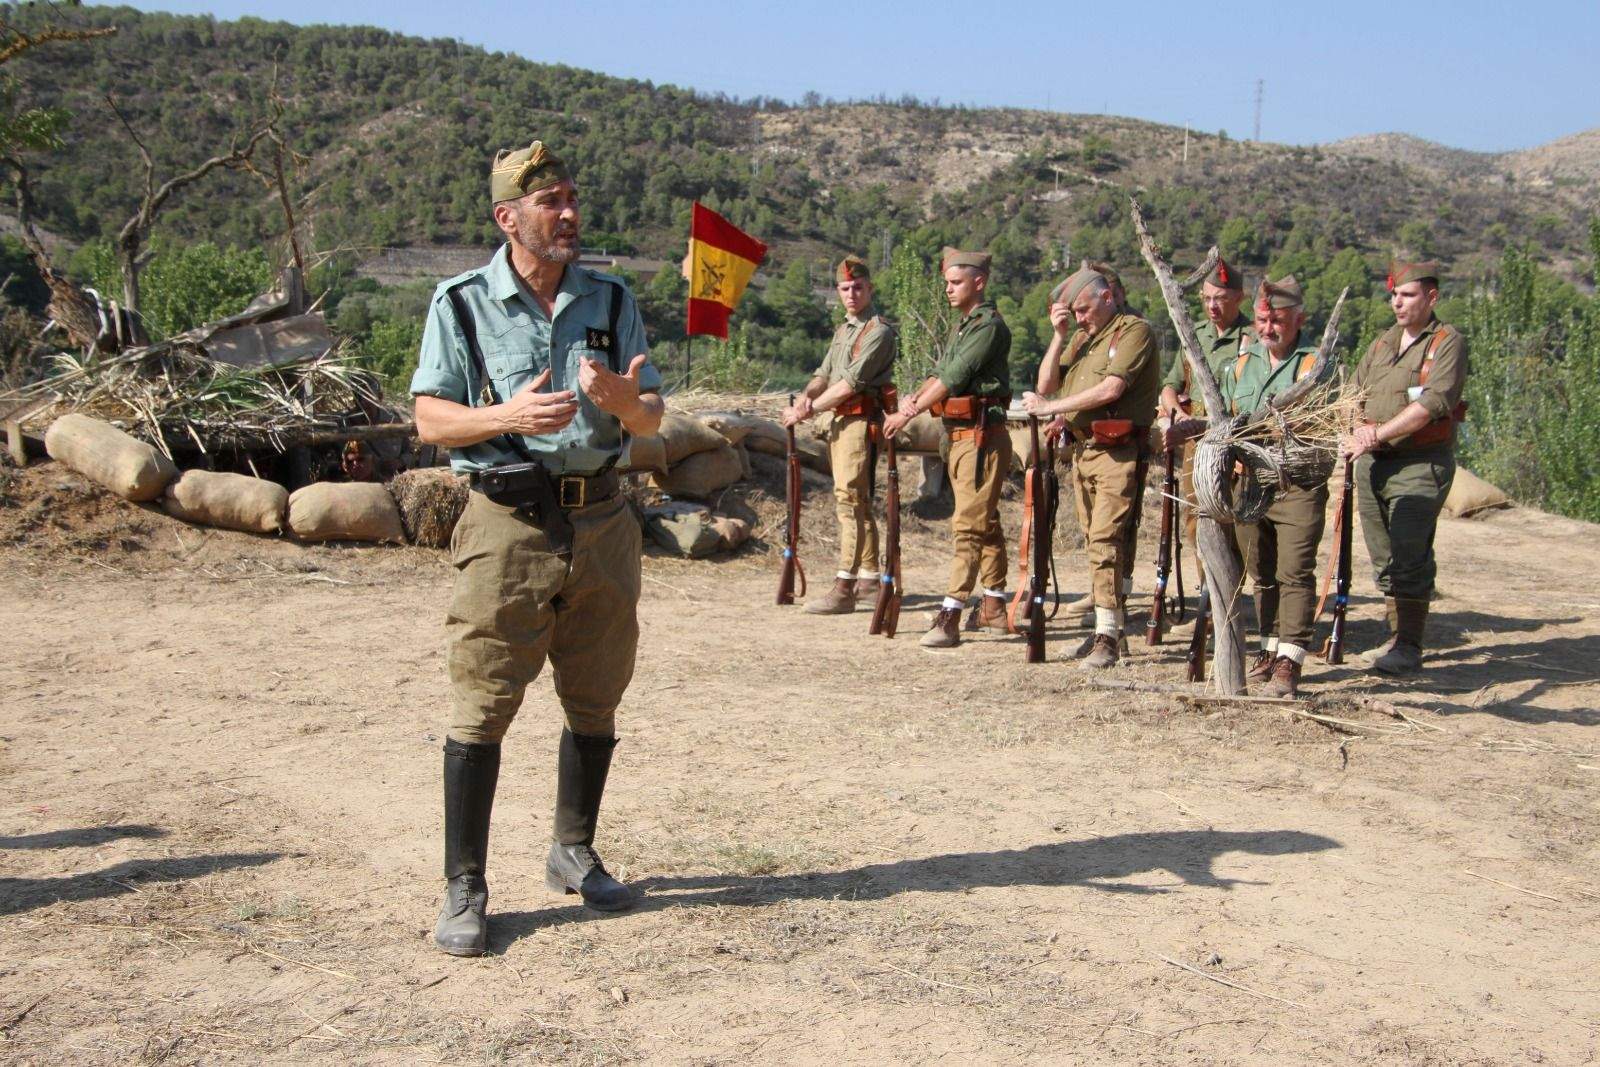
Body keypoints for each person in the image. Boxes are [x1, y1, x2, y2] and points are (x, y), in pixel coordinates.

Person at [409, 139, 664, 957]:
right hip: (506, 523)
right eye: (550, 200)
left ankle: (573, 849)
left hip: (604, 522)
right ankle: (465, 886)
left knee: (596, 692)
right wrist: (505, 418)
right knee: (482, 700)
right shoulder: (458, 303)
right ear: (507, 217)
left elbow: (652, 413)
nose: (569, 213)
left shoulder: (611, 297)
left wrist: (626, 399)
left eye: (571, 197)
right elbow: (428, 418)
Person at [1023, 265, 1160, 668]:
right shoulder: (1082, 338)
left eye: (1083, 309)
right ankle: (1108, 630)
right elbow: (1047, 383)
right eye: (1074, 312)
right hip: (1085, 453)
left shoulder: (1133, 331)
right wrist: (1060, 335)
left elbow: (1111, 388)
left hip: (1117, 452)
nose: (1080, 317)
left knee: (1106, 542)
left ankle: (1106, 637)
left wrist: (1053, 409)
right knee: (1095, 543)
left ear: (1107, 297)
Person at [1341, 260, 1468, 676]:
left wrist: (1375, 435)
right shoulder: (1382, 344)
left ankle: (1409, 643)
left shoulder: (1446, 342)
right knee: (1383, 554)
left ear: (1431, 297)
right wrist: (1357, 429)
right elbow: (1352, 394)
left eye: (1408, 294)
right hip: (1372, 462)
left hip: (1419, 461)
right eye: (1394, 294)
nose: (1398, 302)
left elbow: (1433, 403)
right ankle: (1396, 636)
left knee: (1409, 548)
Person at [882, 248, 1012, 649]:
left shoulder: (987, 326)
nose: (948, 290)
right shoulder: (965, 326)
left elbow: (954, 377)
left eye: (955, 283)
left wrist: (909, 413)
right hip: (958, 435)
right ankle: (993, 606)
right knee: (983, 522)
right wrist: (911, 401)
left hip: (981, 437)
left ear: (979, 282)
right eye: (947, 283)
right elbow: (938, 374)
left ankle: (951, 611)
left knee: (968, 526)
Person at [1221, 276, 1326, 696]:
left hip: (1296, 483)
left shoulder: (1314, 364)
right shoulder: (1242, 364)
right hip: (1250, 483)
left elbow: (1320, 424)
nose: (1267, 328)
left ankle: (1290, 658)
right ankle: (1267, 649)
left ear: (1298, 318)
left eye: (1277, 319)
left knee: (1294, 572)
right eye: (1262, 319)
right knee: (1261, 573)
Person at [782, 255, 897, 614]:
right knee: (854, 500)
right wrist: (807, 395)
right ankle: (868, 576)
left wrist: (808, 410)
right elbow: (824, 373)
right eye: (846, 288)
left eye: (858, 287)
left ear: (869, 289)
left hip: (859, 421)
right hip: (839, 423)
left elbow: (849, 383)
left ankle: (844, 586)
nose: (852, 294)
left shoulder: (878, 331)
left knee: (850, 501)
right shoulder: (845, 330)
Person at [1158, 256, 1255, 606]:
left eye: (1221, 299)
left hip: (1234, 443)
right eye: (1207, 298)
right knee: (1195, 521)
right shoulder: (1194, 334)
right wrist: (1175, 414)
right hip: (1195, 444)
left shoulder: (1253, 338)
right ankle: (1207, 595)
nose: (1212, 306)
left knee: (1232, 522)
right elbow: (1171, 384)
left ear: (1239, 298)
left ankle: (1232, 596)